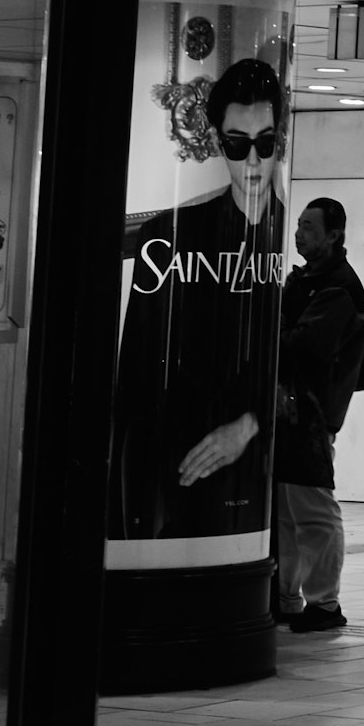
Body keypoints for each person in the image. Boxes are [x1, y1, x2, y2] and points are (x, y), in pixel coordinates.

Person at [113, 58, 286, 547]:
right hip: (172, 469)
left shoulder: (283, 235)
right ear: (217, 143)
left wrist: (249, 425)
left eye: (266, 144)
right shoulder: (170, 236)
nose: (253, 162)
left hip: (248, 477)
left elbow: (295, 365)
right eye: (237, 144)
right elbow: (138, 372)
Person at [274, 197, 364, 633]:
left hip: (311, 412)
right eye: (298, 226)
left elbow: (304, 345)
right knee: (286, 509)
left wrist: (265, 328)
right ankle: (287, 597)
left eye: (310, 228)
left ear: (334, 235)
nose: (299, 234)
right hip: (290, 407)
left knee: (312, 506)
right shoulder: (306, 279)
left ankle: (324, 604)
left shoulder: (338, 286)